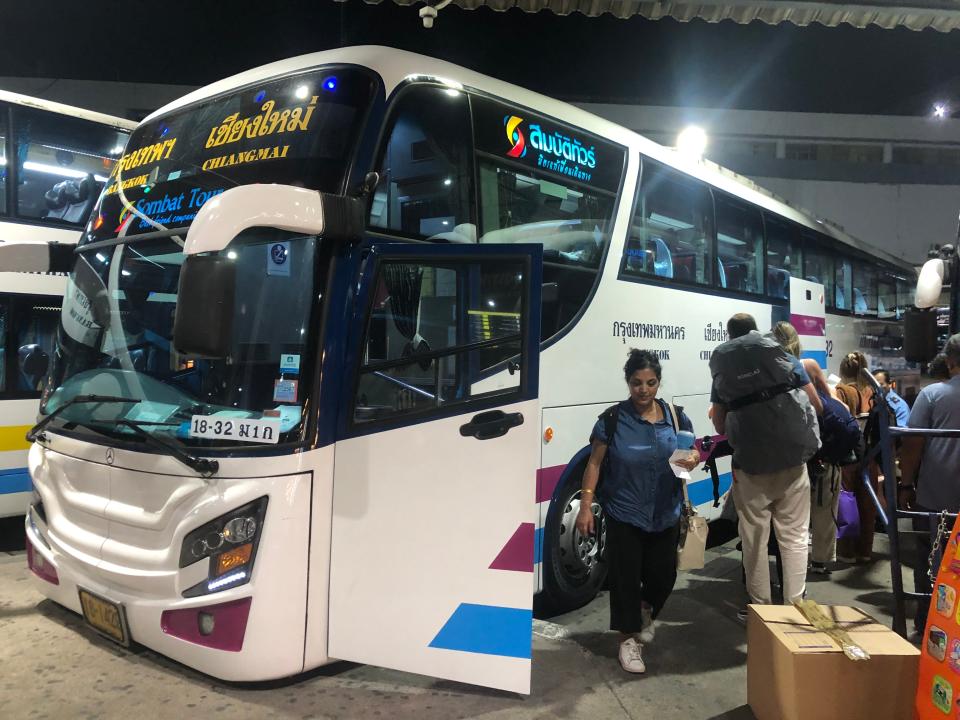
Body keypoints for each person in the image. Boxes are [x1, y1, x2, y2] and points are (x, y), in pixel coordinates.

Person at [576, 349, 699, 674]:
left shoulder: (676, 417)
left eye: (650, 383)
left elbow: (687, 459)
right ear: (628, 383)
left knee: (664, 577)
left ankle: (643, 611)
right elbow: (594, 462)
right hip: (624, 512)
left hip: (665, 512)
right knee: (626, 579)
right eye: (636, 383)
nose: (643, 390)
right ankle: (628, 641)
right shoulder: (613, 420)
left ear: (658, 382)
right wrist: (586, 505)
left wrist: (692, 459)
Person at [710, 314, 821, 620]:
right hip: (792, 461)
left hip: (750, 466)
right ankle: (795, 608)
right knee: (795, 535)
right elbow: (816, 405)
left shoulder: (723, 369)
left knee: (754, 537)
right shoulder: (781, 355)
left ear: (729, 335)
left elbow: (720, 422)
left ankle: (760, 611)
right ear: (756, 330)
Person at [770, 322, 852, 577]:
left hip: (789, 448)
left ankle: (794, 559)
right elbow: (828, 401)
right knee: (824, 505)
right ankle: (820, 559)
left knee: (792, 509)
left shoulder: (771, 370)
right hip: (819, 447)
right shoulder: (807, 366)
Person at [901, 334, 960, 635]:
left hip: (937, 498)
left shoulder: (932, 395)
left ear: (950, 362)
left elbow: (912, 445)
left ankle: (930, 627)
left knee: (930, 564)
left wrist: (905, 486)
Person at [835, 351, 879, 564]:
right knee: (867, 505)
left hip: (848, 458)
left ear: (843, 370)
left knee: (845, 502)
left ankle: (846, 551)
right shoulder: (871, 391)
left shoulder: (842, 391)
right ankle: (865, 551)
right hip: (870, 456)